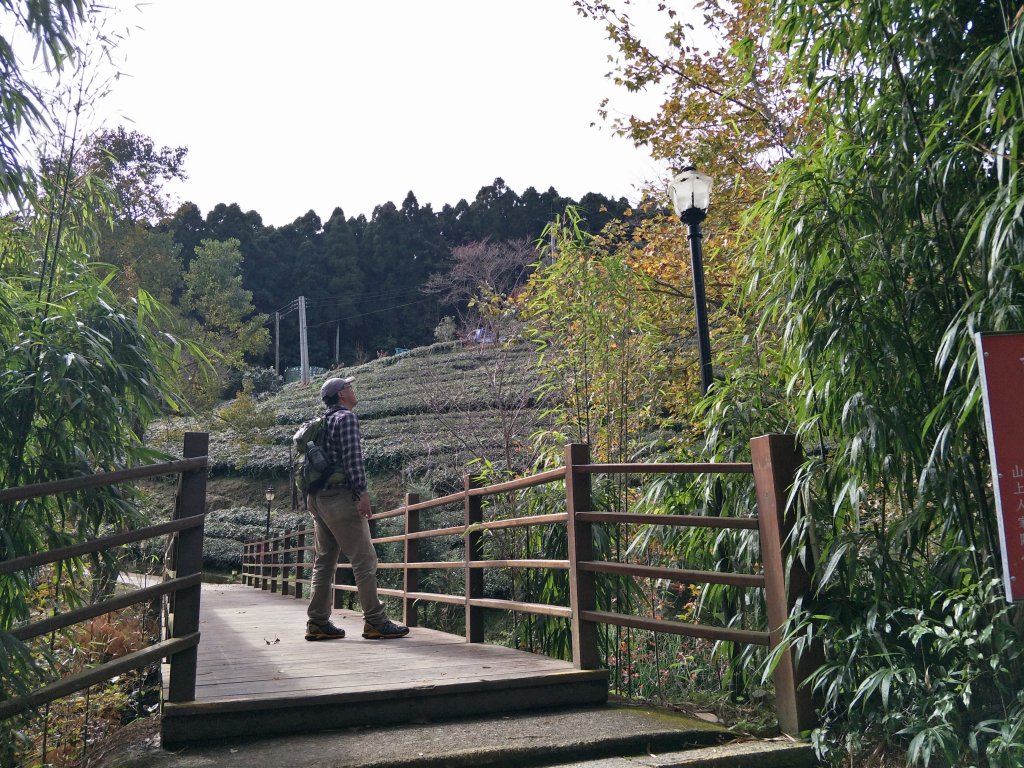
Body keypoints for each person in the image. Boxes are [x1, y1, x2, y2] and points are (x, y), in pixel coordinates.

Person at [304, 375, 409, 641]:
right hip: (340, 499)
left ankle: (317, 622)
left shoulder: (320, 423)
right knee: (364, 560)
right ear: (341, 394)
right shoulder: (346, 419)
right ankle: (375, 621)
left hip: (316, 498)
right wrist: (362, 493)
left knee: (324, 561)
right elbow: (353, 460)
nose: (353, 390)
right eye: (350, 387)